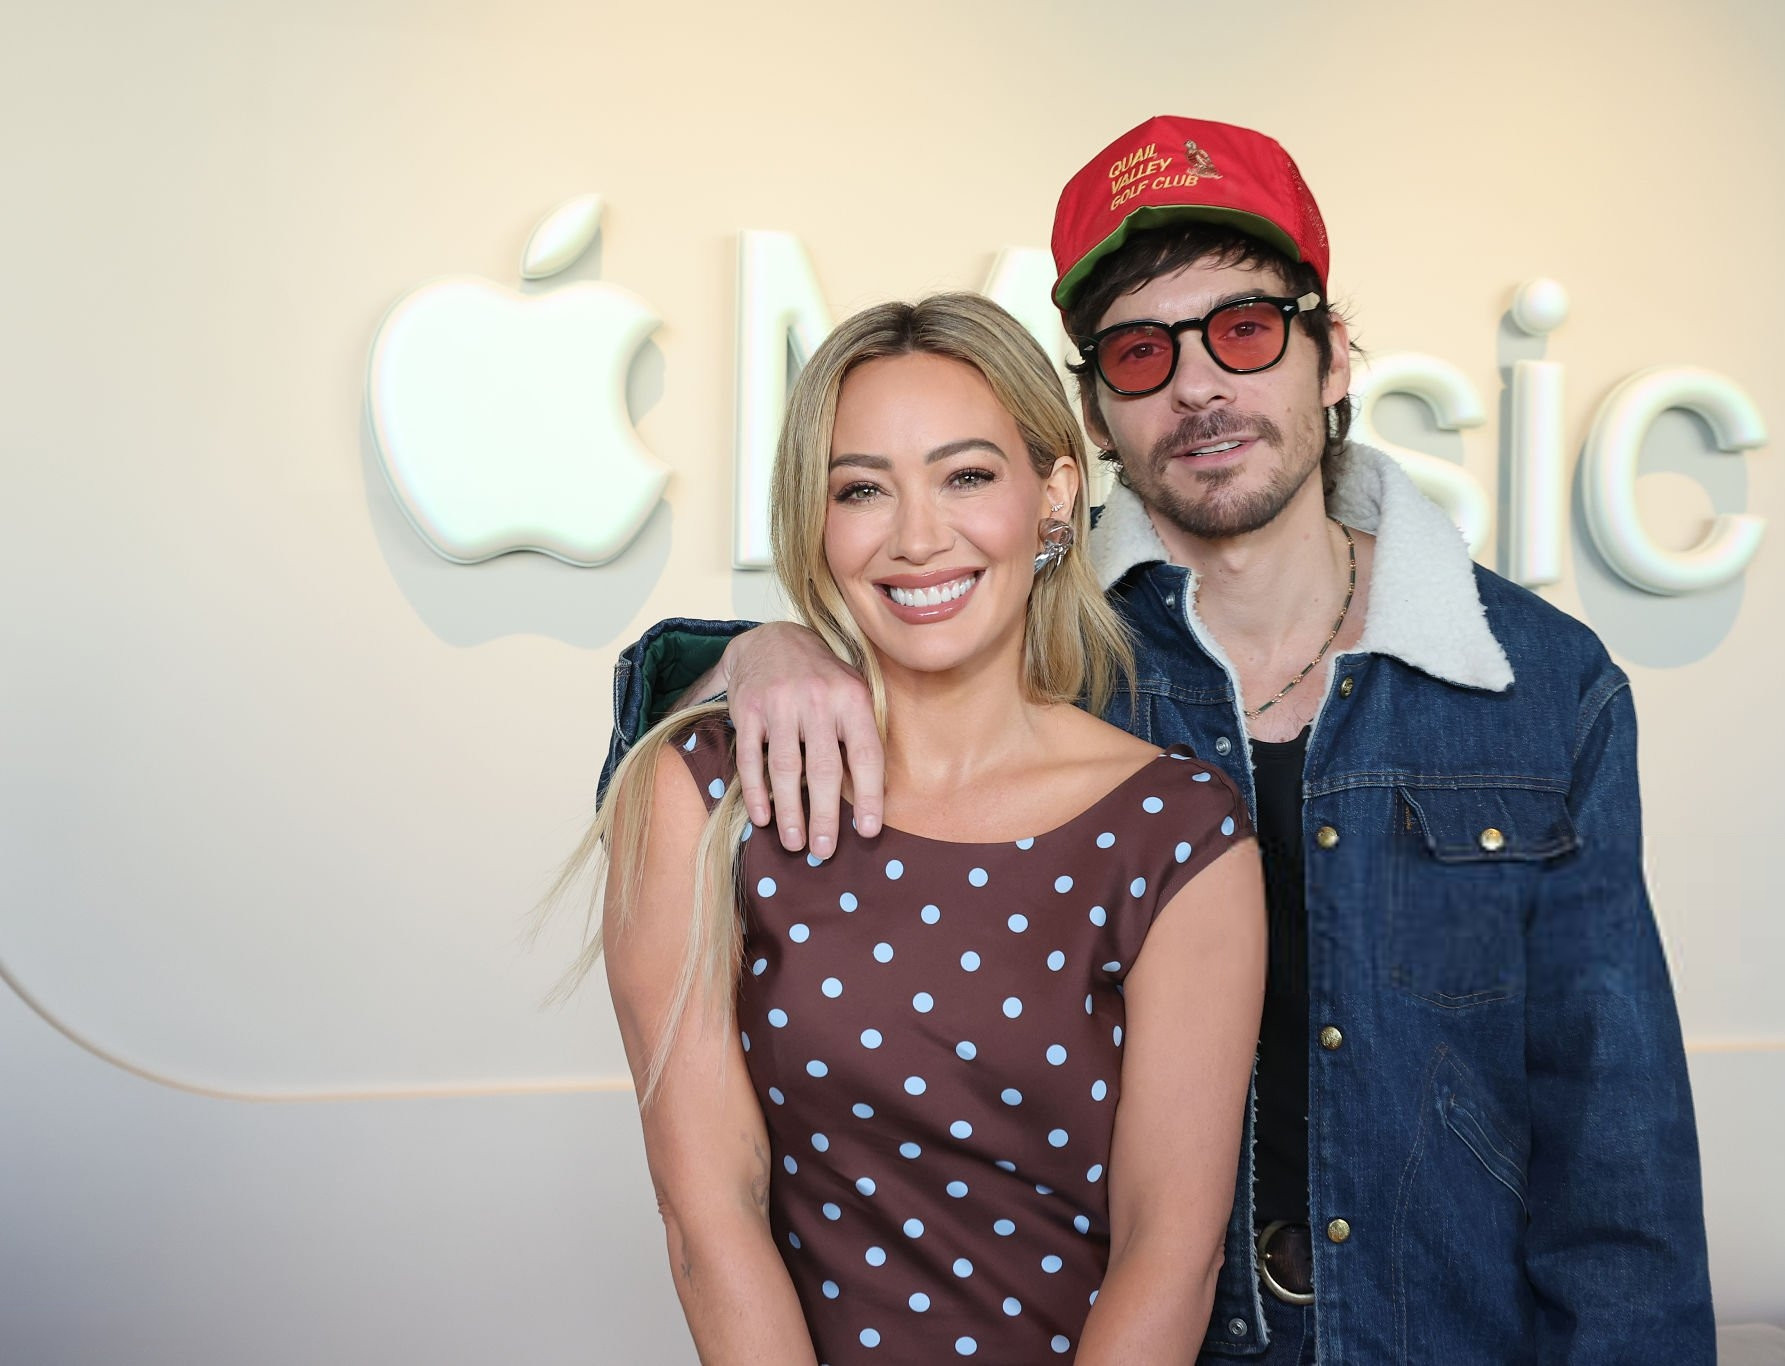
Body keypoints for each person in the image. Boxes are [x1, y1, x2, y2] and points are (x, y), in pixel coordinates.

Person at [599, 117, 1715, 1361]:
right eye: (1139, 352)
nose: (1197, 389)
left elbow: (1614, 1145)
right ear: (1090, 414)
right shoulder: (1041, 647)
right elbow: (857, 653)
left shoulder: (1537, 685)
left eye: (1243, 330)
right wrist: (759, 650)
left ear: (1331, 355)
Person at [567, 291, 1266, 1364]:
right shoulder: (703, 794)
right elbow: (709, 1213)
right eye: (861, 489)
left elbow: (1169, 1252)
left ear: (1054, 495)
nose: (918, 536)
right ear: (814, 520)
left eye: (966, 475)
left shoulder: (1176, 832)